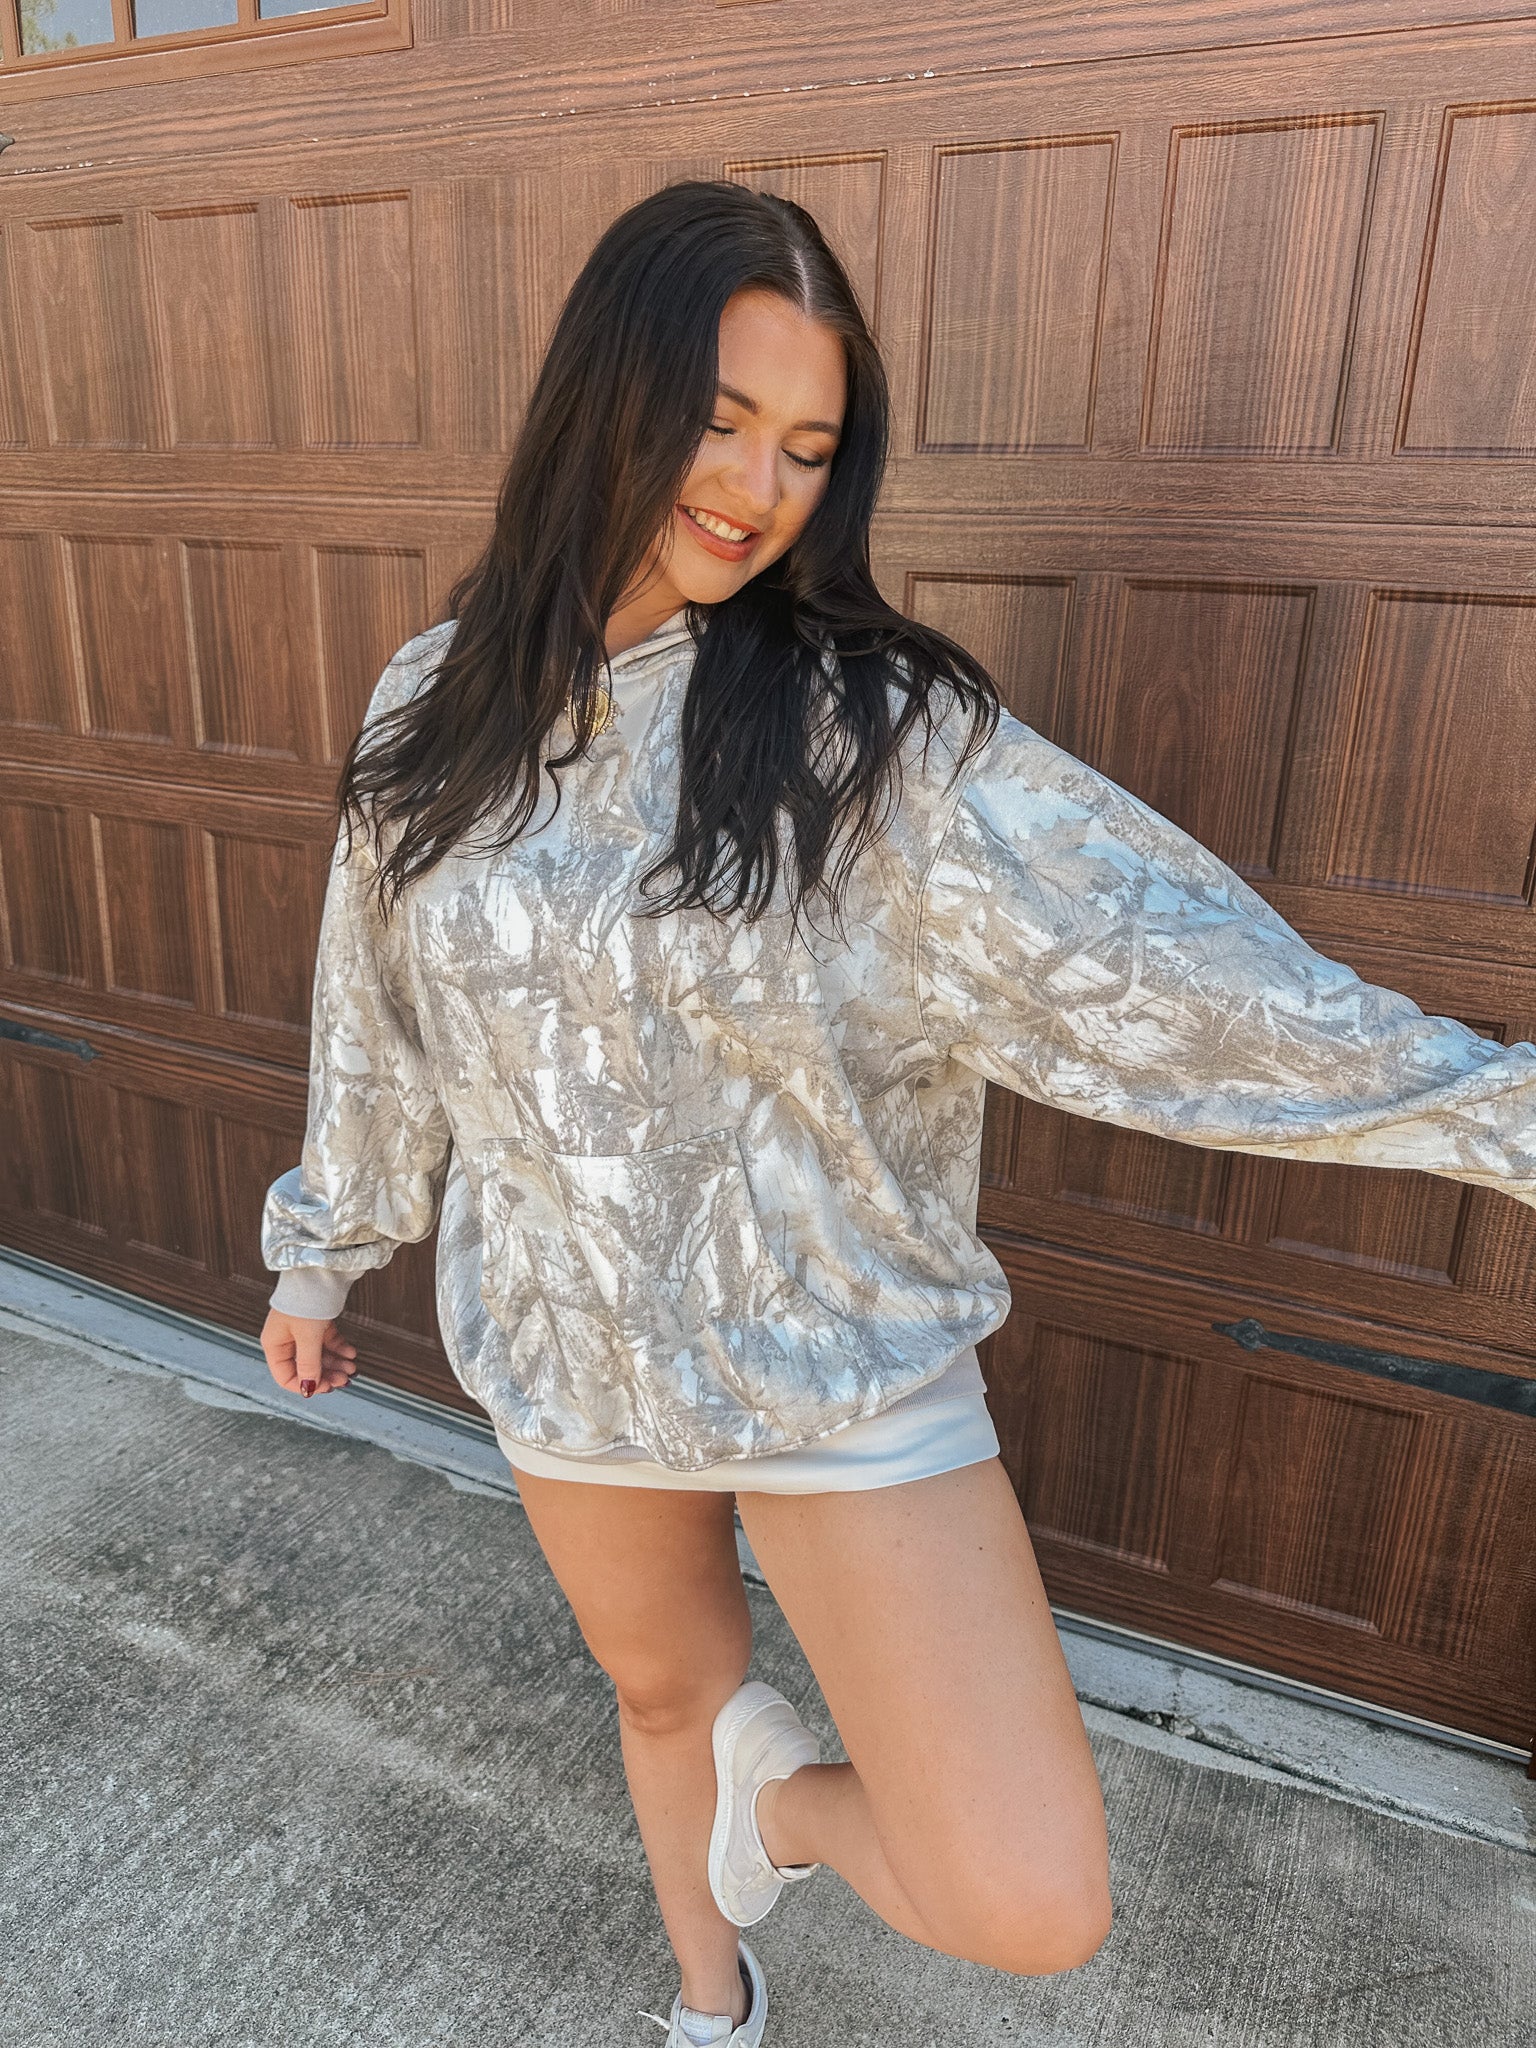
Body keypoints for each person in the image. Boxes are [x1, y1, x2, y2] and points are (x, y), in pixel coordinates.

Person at [258, 181, 1536, 2046]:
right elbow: (374, 1010)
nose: (757, 489)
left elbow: (1176, 971)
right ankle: (711, 2004)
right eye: (719, 422)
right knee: (661, 1698)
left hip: (837, 1358)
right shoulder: (432, 700)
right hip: (562, 1341)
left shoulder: (875, 737)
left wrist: (1501, 1116)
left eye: (806, 447)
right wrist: (325, 1248)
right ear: (604, 395)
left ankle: (769, 1816)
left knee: (1026, 1898)